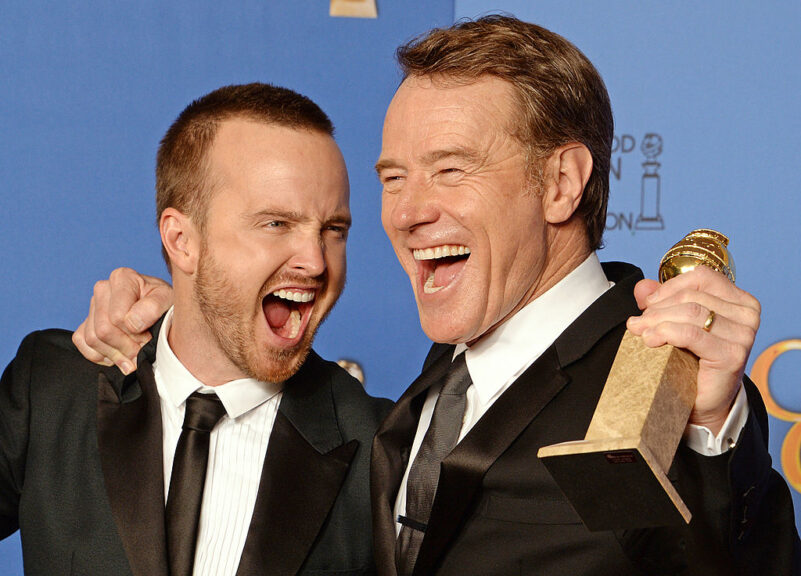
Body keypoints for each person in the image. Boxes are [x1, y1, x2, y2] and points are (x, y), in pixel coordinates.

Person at [72, 16, 800, 576]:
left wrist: (709, 430)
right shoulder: (429, 390)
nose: (407, 211)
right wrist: (187, 315)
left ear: (559, 183)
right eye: (393, 178)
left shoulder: (650, 383)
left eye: (450, 169)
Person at [0, 83, 392, 576]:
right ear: (182, 240)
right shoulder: (52, 388)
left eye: (333, 230)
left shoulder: (383, 448)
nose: (315, 261)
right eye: (276, 224)